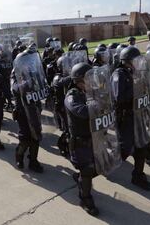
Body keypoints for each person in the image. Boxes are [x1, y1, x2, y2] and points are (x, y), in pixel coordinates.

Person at [112, 46, 150, 190]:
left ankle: (138, 176)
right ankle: (103, 166)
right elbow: (119, 97)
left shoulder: (135, 72)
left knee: (141, 146)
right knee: (125, 149)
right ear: (127, 61)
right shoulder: (119, 74)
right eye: (136, 60)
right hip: (125, 117)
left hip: (138, 115)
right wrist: (135, 89)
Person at [64, 62, 99, 216]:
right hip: (79, 142)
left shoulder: (90, 92)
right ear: (79, 81)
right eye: (88, 80)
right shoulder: (72, 96)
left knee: (97, 168)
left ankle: (80, 178)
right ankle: (85, 198)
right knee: (87, 170)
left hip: (93, 138)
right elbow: (81, 111)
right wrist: (97, 105)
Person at [11, 49, 46, 173]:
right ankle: (19, 156)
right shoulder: (15, 74)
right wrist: (24, 83)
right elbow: (15, 88)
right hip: (22, 111)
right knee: (25, 139)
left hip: (34, 109)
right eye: (25, 62)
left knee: (36, 137)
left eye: (29, 62)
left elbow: (41, 84)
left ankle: (33, 161)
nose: (28, 64)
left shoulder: (34, 72)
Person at [52, 56, 72, 157]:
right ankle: (62, 145)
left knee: (70, 128)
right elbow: (60, 82)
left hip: (68, 105)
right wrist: (73, 75)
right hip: (61, 106)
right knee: (67, 128)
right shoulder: (57, 76)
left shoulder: (67, 75)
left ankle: (69, 145)